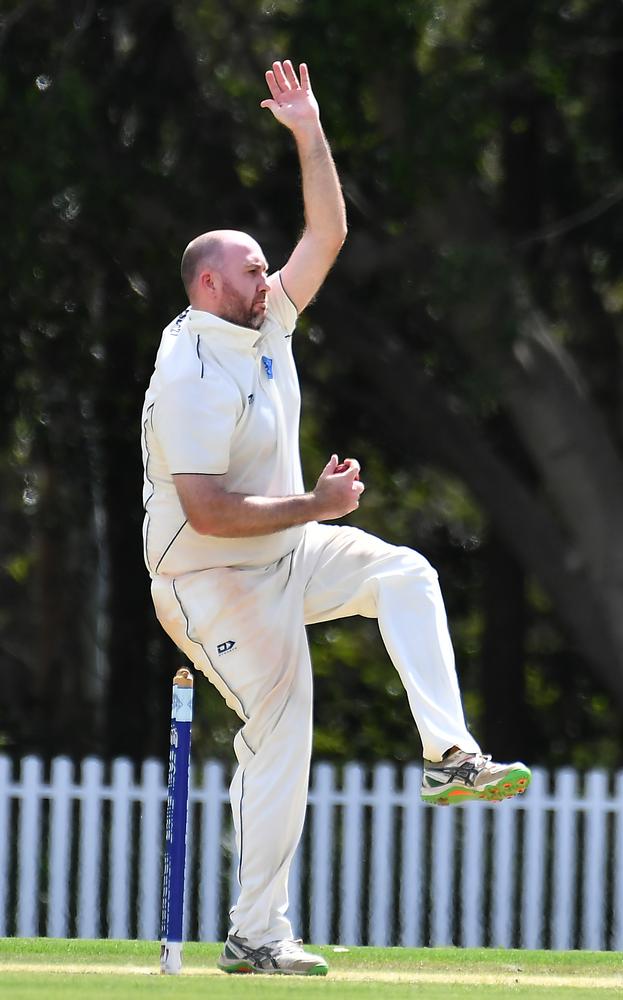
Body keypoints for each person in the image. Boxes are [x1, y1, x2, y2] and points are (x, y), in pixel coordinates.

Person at [141, 59, 530, 977]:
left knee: (406, 572)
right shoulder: (190, 373)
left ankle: (448, 752)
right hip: (206, 576)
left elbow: (329, 230)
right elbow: (204, 510)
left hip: (285, 547)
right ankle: (255, 935)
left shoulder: (263, 320)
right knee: (285, 723)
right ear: (208, 288)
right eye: (248, 269)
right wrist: (315, 503)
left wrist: (308, 128)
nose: (268, 274)